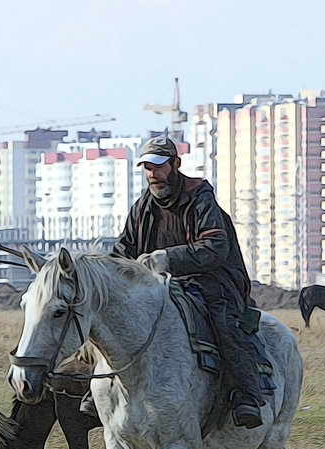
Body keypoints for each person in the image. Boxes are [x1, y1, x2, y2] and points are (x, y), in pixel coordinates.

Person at [111, 135, 264, 429]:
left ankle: (248, 395)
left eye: (158, 167)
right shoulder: (142, 206)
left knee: (223, 325)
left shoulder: (200, 197)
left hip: (212, 283)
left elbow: (216, 248)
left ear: (175, 164)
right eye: (147, 168)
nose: (153, 175)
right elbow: (124, 249)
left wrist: (168, 258)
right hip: (160, 287)